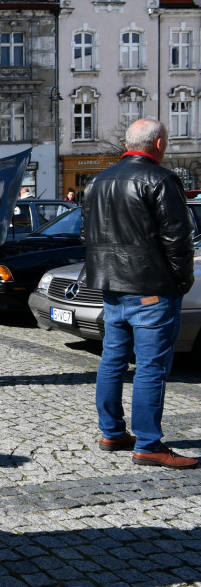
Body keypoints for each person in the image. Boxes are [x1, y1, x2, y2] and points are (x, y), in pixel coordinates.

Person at [83, 118, 197, 469]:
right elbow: (178, 239)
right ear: (159, 143)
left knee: (113, 360)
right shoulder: (161, 179)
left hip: (111, 286)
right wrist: (181, 282)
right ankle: (148, 444)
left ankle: (112, 431)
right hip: (149, 287)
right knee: (150, 368)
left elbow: (88, 235)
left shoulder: (98, 181)